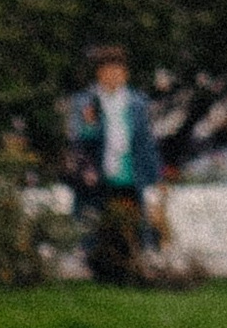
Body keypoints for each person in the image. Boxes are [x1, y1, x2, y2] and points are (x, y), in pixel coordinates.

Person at [65, 46, 163, 276]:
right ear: (98, 73)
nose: (112, 75)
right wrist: (90, 125)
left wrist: (155, 177)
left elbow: (146, 142)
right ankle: (93, 266)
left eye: (117, 70)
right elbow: (80, 139)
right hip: (97, 175)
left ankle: (132, 266)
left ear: (125, 73)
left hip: (131, 174)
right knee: (94, 221)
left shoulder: (138, 102)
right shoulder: (85, 102)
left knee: (133, 223)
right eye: (107, 70)